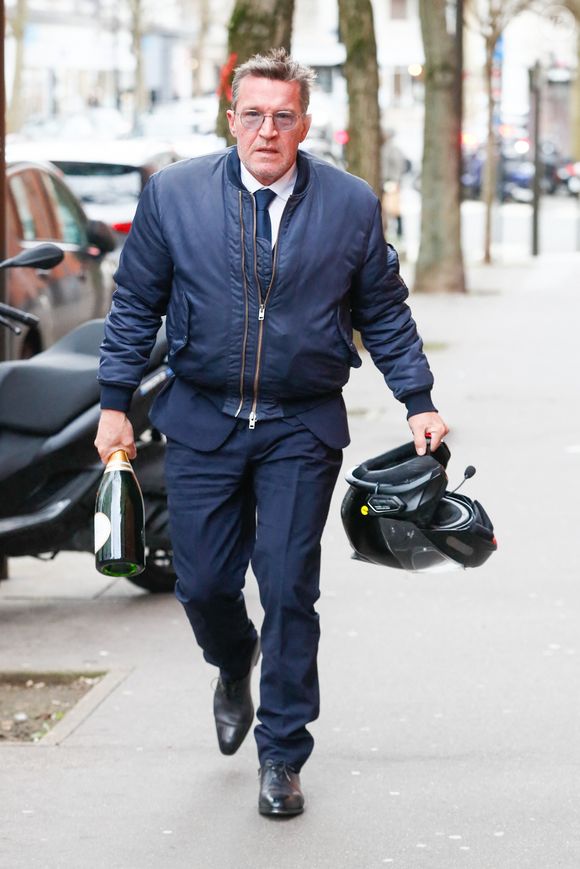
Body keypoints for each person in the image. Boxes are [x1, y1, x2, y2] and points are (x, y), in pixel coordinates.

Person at [94, 48, 448, 817]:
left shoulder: (351, 204)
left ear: (304, 124)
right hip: (201, 418)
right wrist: (114, 401)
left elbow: (381, 309)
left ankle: (282, 755)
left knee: (289, 587)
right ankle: (231, 658)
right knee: (203, 584)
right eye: (252, 114)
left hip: (301, 422)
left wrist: (416, 397)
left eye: (282, 116)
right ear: (231, 119)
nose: (267, 130)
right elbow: (133, 305)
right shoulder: (176, 196)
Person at [381, 128, 408, 241]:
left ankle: (399, 232)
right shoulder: (384, 148)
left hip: (390, 182)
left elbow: (399, 166)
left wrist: (394, 180)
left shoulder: (392, 149)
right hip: (384, 182)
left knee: (393, 209)